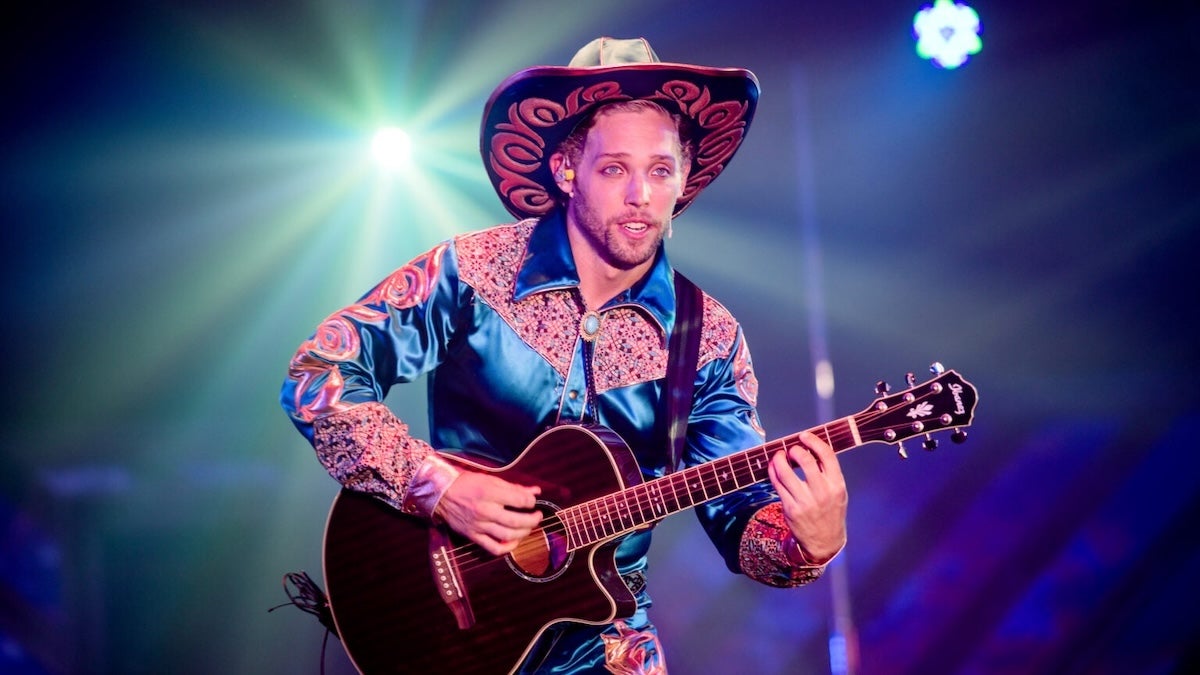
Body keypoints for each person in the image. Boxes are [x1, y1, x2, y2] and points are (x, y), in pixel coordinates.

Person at [282, 36, 848, 673]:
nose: (641, 195)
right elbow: (317, 374)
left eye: (660, 170)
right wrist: (438, 487)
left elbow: (744, 524)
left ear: (684, 179)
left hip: (608, 651)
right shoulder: (469, 272)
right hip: (444, 628)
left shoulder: (708, 339)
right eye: (614, 169)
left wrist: (811, 543)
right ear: (566, 170)